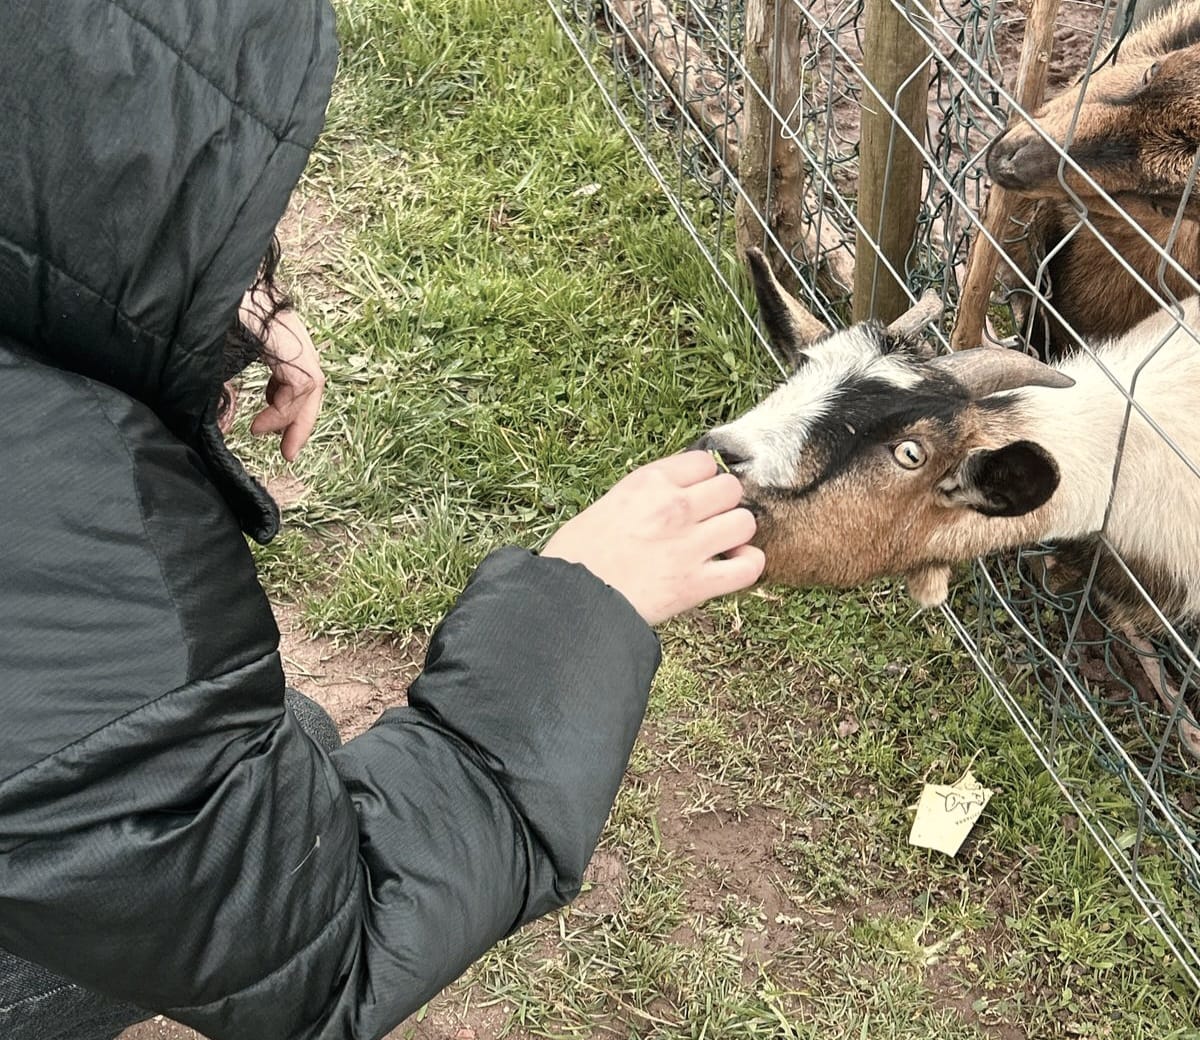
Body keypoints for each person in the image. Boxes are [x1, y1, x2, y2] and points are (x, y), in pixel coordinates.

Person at [0, 3, 764, 1039]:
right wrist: (578, 609)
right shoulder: (69, 526)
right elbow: (326, 949)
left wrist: (191, 305)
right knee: (268, 791)